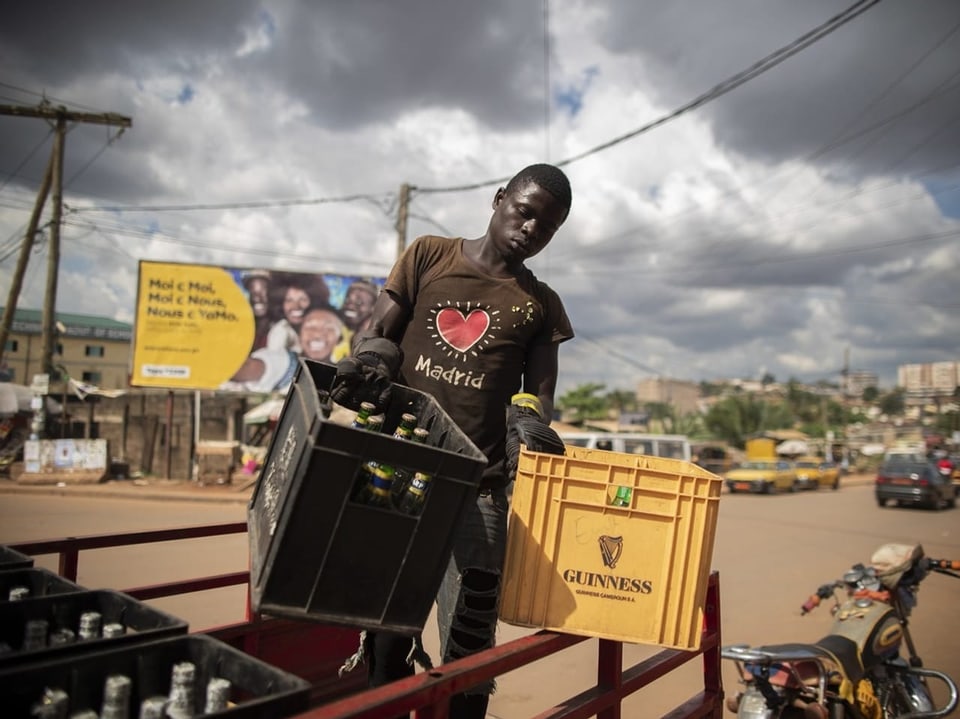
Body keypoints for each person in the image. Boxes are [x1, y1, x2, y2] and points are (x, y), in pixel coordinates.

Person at [330, 163, 574, 718]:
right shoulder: (429, 255)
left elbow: (538, 396)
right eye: (525, 211)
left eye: (548, 225)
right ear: (498, 200)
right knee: (386, 633)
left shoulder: (542, 305)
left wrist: (530, 426)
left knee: (470, 650)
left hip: (479, 492)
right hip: (396, 471)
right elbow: (379, 336)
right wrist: (370, 362)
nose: (532, 228)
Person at [226, 305, 345, 392]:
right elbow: (248, 368)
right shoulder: (284, 362)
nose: (318, 334)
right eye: (311, 327)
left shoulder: (344, 380)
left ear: (339, 338)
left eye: (329, 328)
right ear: (299, 335)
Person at [265, 273, 331, 353]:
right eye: (289, 300)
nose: (296, 306)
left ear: (314, 302)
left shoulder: (322, 329)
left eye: (303, 299)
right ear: (280, 303)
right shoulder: (280, 332)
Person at [241, 270, 272, 351]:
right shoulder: (243, 325)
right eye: (252, 290)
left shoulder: (281, 328)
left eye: (263, 289)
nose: (257, 297)